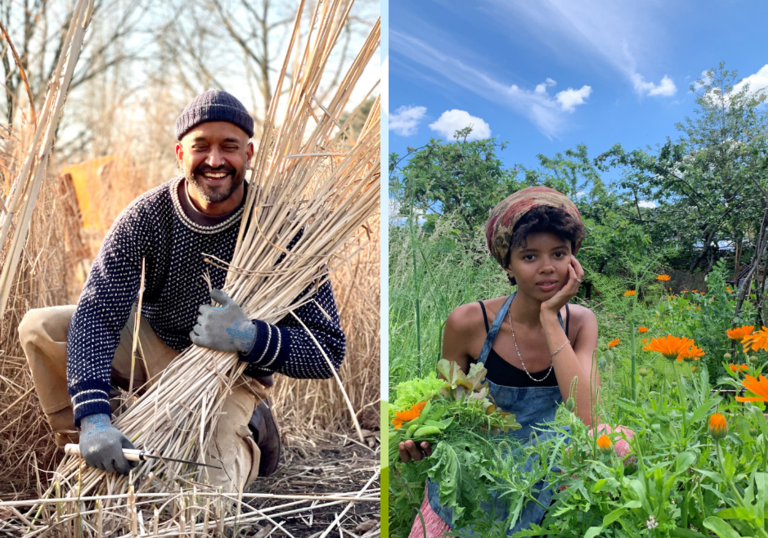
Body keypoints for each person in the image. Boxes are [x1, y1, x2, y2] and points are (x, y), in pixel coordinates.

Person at [19, 89, 346, 492]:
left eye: (229, 146)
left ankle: (251, 424)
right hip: (154, 345)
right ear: (180, 154)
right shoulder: (146, 217)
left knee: (206, 500)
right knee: (41, 326)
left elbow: (328, 352)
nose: (215, 160)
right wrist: (93, 419)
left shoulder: (284, 229)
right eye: (200, 147)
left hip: (232, 372)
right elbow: (98, 316)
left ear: (249, 153)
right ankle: (92, 461)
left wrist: (247, 335)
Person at [399, 186, 603, 537]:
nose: (547, 268)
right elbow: (452, 405)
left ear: (574, 259)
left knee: (620, 443)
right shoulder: (467, 323)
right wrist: (425, 439)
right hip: (485, 466)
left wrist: (550, 318)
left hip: (553, 465)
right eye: (529, 257)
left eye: (559, 253)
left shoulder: (581, 322)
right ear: (507, 264)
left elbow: (590, 419)